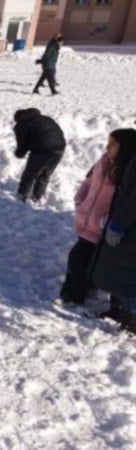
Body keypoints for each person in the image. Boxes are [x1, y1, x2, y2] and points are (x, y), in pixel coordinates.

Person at [60, 130, 136, 306]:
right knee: (82, 260)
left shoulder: (126, 170)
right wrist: (80, 199)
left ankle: (74, 297)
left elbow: (124, 201)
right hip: (88, 220)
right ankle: (77, 294)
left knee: (80, 259)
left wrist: (111, 220)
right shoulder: (104, 162)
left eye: (113, 144)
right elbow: (89, 181)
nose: (107, 147)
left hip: (103, 226)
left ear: (125, 147)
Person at [91, 129, 136, 333]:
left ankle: (132, 318)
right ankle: (117, 309)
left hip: (130, 224)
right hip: (125, 220)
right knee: (118, 269)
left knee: (129, 274)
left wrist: (120, 222)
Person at [13, 108, 66, 203]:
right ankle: (37, 197)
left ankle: (21, 196)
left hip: (43, 148)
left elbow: (22, 143)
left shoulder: (22, 124)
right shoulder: (45, 118)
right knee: (45, 174)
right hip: (60, 147)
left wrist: (19, 154)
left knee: (30, 174)